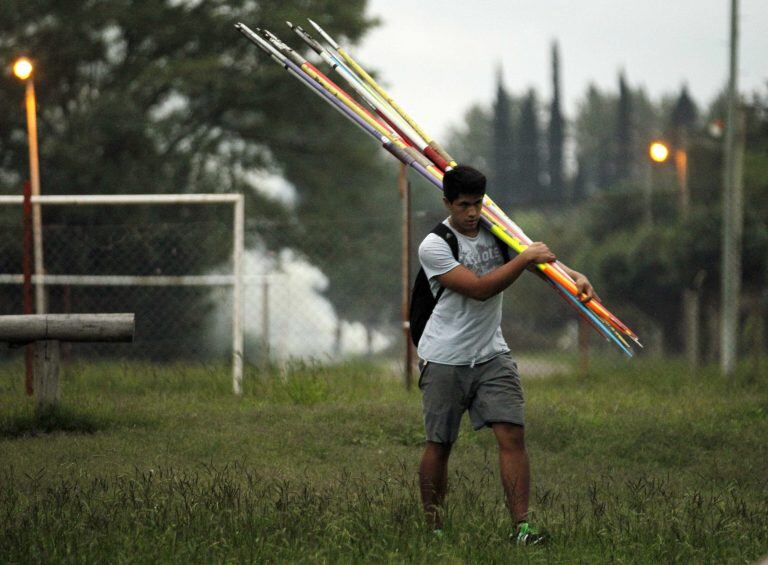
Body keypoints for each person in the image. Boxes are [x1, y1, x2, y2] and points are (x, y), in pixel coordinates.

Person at [416, 165, 597, 545]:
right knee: (440, 443)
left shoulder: (495, 229)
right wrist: (524, 258)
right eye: (463, 205)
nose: (472, 213)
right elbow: (480, 289)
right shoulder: (434, 245)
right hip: (445, 357)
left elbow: (537, 262)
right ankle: (432, 528)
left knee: (512, 433)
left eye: (478, 204)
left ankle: (523, 529)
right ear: (447, 202)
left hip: (491, 354)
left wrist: (572, 273)